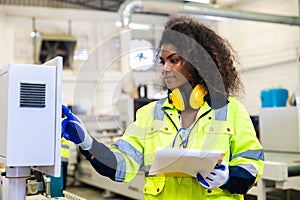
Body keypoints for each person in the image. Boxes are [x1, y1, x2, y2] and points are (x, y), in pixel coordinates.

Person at [61, 16, 264, 200]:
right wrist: (87, 143)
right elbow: (120, 166)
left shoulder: (231, 110)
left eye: (174, 60)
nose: (165, 68)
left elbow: (252, 164)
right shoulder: (150, 115)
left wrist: (227, 176)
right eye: (162, 61)